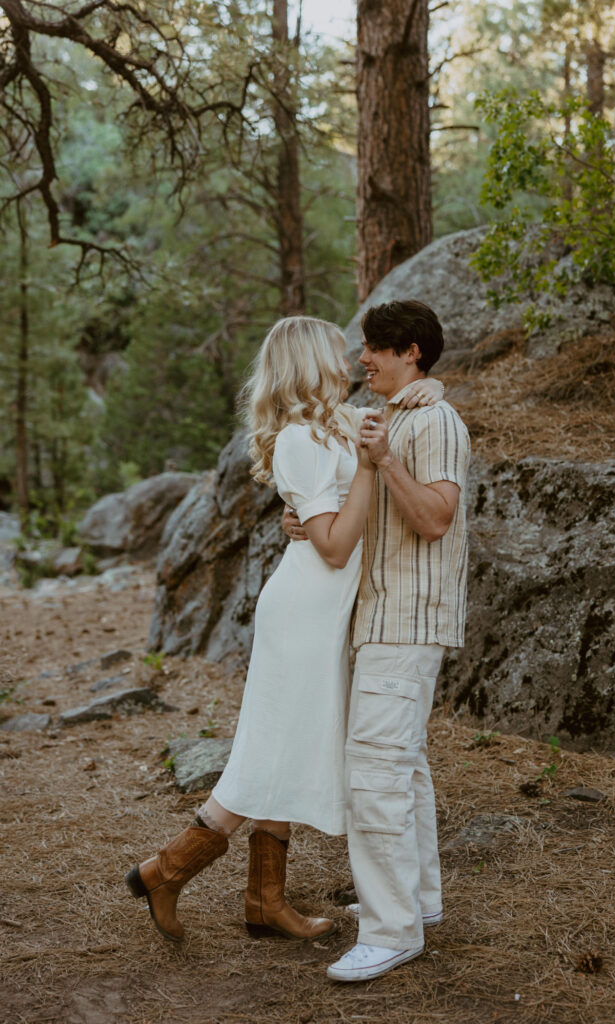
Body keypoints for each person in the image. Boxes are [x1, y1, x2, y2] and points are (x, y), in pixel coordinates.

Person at [124, 315, 442, 945]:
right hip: (302, 612)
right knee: (270, 751)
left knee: (287, 748)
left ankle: (263, 902)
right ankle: (166, 870)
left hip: (325, 614)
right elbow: (332, 545)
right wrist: (365, 478)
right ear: (307, 363)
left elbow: (402, 409)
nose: (352, 359)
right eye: (336, 351)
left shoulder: (339, 423)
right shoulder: (299, 438)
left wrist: (432, 390)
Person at [286, 300, 470, 982]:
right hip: (377, 620)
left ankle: (388, 931)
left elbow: (435, 519)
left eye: (374, 348)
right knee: (404, 768)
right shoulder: (395, 415)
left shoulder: (435, 420)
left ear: (411, 352)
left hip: (408, 621)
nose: (362, 358)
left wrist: (388, 461)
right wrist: (306, 520)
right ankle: (416, 906)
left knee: (374, 775)